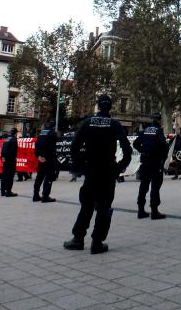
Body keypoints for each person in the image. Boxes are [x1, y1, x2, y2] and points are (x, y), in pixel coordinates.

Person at [63, 94, 132, 254]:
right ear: (110, 107)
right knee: (104, 206)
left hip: (91, 169)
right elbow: (127, 150)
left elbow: (74, 147)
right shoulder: (115, 124)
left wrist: (81, 166)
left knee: (86, 205)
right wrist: (119, 167)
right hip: (108, 170)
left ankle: (78, 238)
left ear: (98, 106)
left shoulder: (87, 123)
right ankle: (97, 242)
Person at [133, 113, 169, 219]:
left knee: (143, 186)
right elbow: (164, 146)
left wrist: (143, 151)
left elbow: (135, 144)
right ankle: (154, 211)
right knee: (155, 187)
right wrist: (163, 158)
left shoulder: (144, 131)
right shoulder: (158, 131)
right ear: (159, 120)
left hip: (145, 162)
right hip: (155, 162)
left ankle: (140, 210)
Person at [33, 120, 57, 202]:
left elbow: (37, 145)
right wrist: (46, 156)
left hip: (40, 158)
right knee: (49, 177)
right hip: (49, 158)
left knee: (39, 177)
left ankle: (35, 195)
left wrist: (38, 156)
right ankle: (45, 196)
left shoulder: (42, 133)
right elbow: (51, 147)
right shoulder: (52, 133)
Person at [0, 128, 19, 197]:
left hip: (5, 159)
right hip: (11, 160)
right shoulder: (14, 139)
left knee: (4, 175)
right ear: (16, 133)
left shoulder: (7, 139)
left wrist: (3, 157)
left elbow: (3, 148)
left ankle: (2, 191)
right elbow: (13, 151)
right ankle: (8, 191)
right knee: (10, 176)